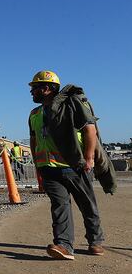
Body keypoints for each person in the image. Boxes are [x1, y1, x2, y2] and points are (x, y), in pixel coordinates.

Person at [28, 70, 104, 260]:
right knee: (59, 206)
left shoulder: (71, 106)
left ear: (46, 89)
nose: (31, 92)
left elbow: (90, 129)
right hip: (49, 169)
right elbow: (34, 138)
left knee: (87, 205)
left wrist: (88, 159)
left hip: (74, 166)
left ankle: (95, 241)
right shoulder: (34, 114)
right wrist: (38, 163)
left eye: (34, 88)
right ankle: (64, 245)